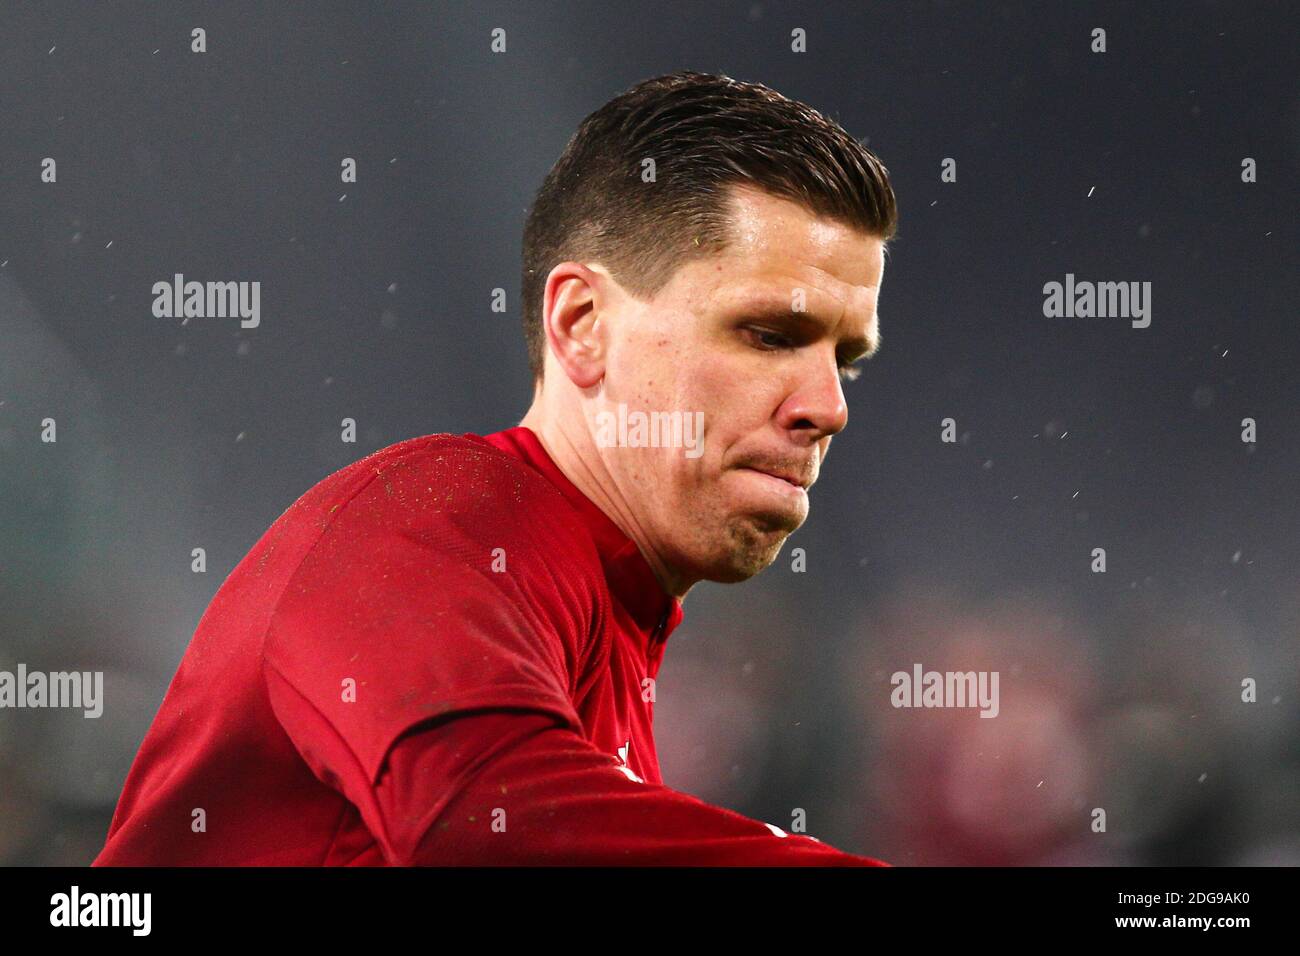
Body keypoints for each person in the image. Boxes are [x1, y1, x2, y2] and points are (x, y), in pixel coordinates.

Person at [94, 70, 897, 866]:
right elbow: (481, 818)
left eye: (846, 359)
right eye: (769, 335)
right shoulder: (424, 515)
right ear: (582, 326)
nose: (828, 406)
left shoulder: (604, 626)